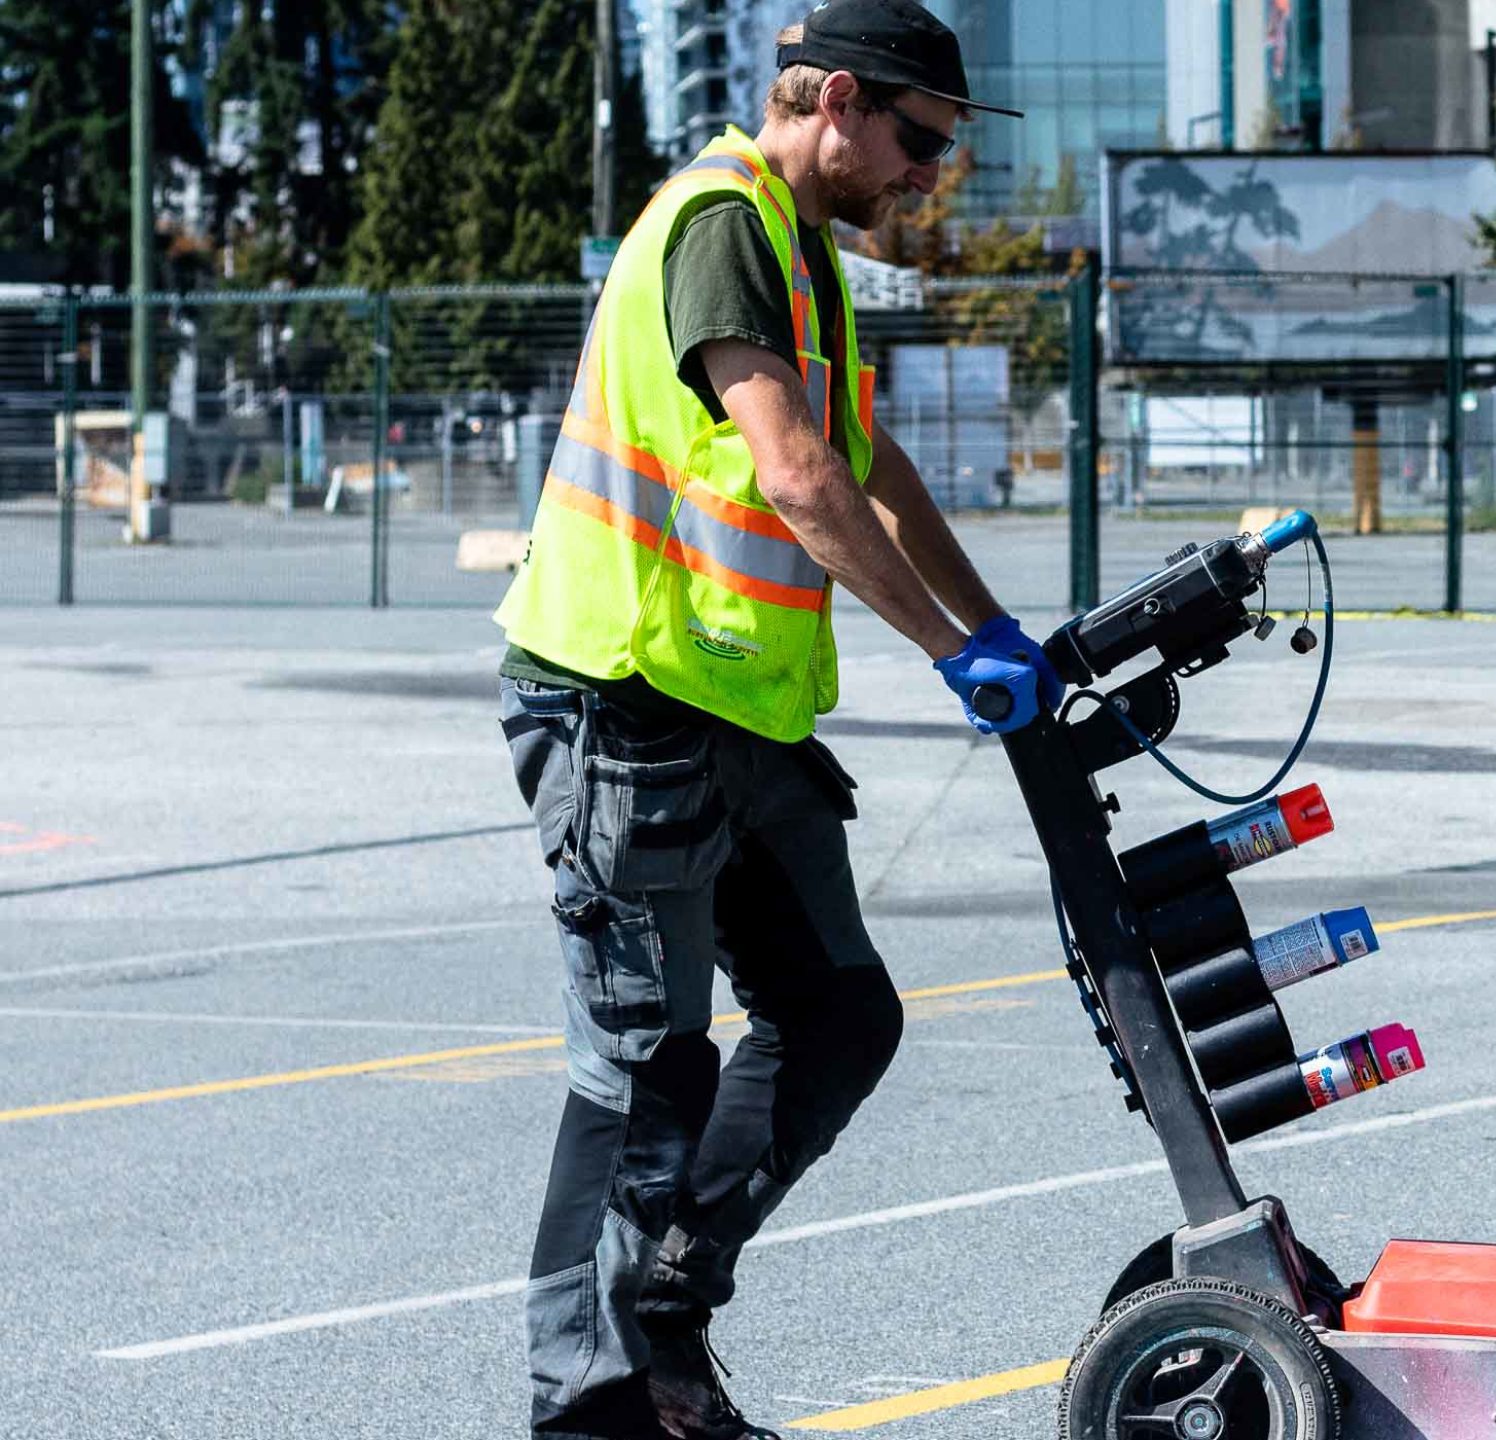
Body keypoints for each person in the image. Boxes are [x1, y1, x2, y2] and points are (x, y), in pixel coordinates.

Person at [489, 3, 1041, 1436]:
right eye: (921, 142)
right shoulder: (722, 224)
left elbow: (875, 469)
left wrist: (991, 630)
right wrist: (942, 655)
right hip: (622, 703)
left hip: (731, 711)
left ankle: (668, 1305)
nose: (930, 175)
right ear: (841, 104)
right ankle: (594, 1408)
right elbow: (799, 481)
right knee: (642, 1076)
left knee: (838, 1014)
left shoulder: (808, 257)